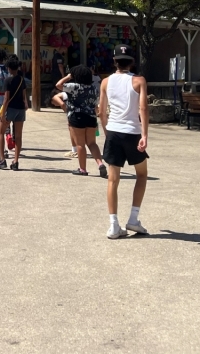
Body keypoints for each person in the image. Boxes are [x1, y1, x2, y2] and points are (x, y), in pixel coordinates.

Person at [99, 45, 149, 239]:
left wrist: (106, 130)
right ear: (132, 61)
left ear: (115, 61)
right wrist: (144, 135)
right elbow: (143, 108)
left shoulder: (105, 82)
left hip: (113, 131)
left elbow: (101, 111)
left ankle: (113, 225)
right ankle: (133, 218)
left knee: (113, 179)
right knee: (142, 175)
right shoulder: (139, 81)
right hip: (132, 132)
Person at [53, 65, 107, 178]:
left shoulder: (74, 86)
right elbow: (95, 104)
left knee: (80, 144)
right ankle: (100, 164)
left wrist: (68, 76)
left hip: (77, 116)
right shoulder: (93, 88)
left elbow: (58, 85)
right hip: (91, 117)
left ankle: (83, 169)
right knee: (92, 143)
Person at [0, 56, 28, 171]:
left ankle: (2, 159)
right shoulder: (21, 79)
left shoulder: (7, 80)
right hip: (20, 109)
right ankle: (16, 161)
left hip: (10, 109)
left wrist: (2, 113)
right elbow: (24, 95)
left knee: (1, 132)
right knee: (18, 136)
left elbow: (6, 99)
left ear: (9, 68)